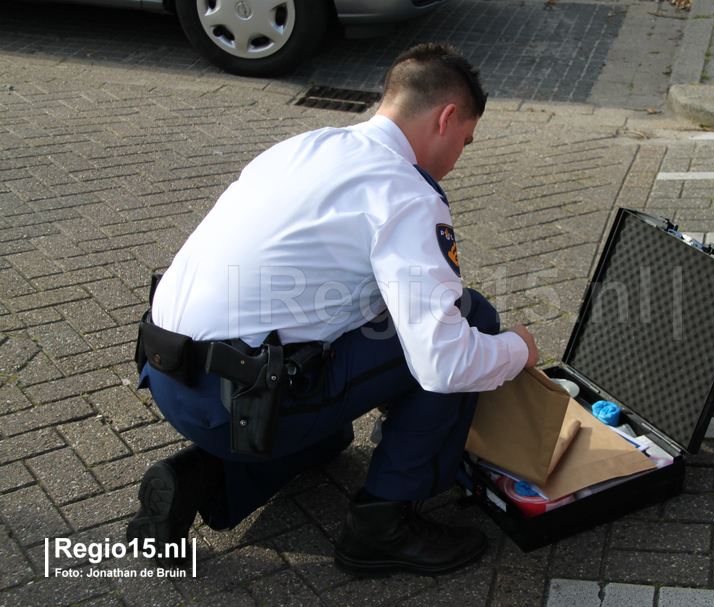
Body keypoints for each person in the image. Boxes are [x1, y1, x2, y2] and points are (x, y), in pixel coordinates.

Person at [126, 42, 538, 577]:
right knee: (470, 317)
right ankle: (381, 528)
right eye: (464, 141)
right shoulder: (408, 193)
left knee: (334, 437)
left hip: (168, 379)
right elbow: (447, 363)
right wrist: (516, 350)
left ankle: (201, 477)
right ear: (447, 117)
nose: (458, 159)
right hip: (241, 406)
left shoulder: (303, 146)